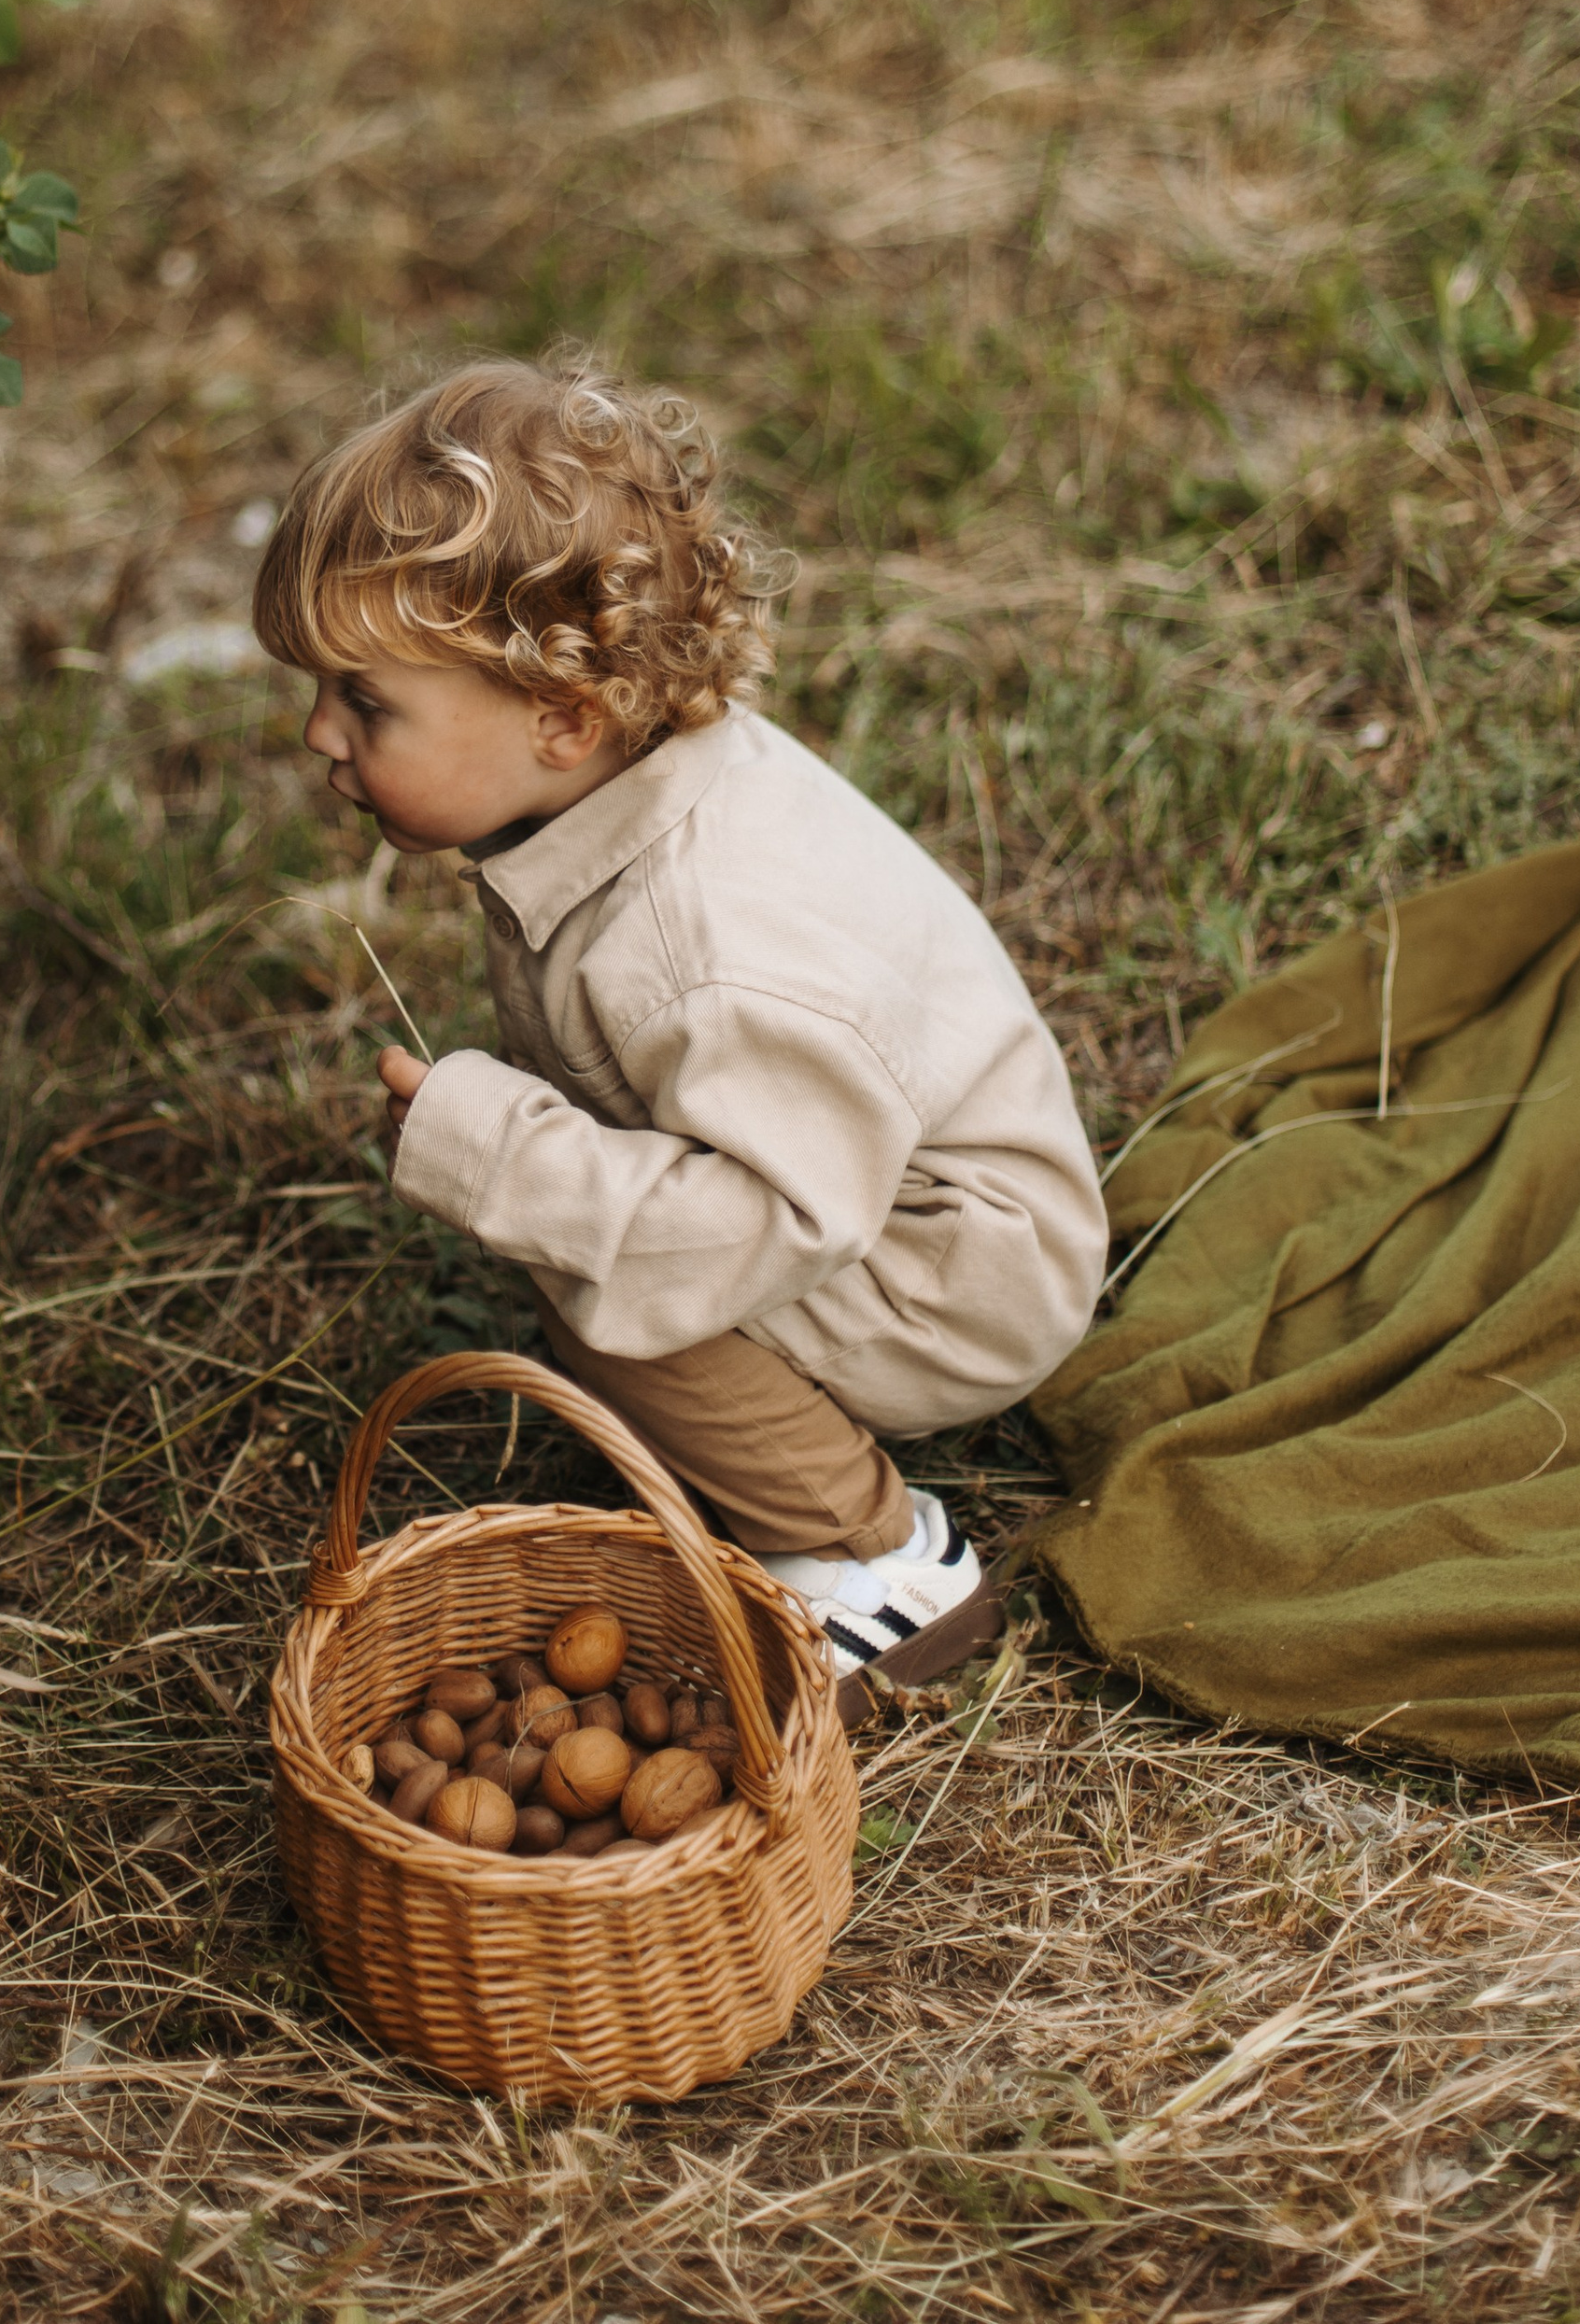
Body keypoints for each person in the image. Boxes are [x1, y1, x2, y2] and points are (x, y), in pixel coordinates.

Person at [251, 359, 1107, 1697]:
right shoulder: (607, 785)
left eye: (367, 702)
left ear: (562, 716)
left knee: (616, 1297)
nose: (319, 733)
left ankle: (879, 1561)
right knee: (600, 1247)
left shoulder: (698, 951)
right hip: (854, 1170)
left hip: (952, 1261)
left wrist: (513, 1165)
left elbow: (776, 1217)